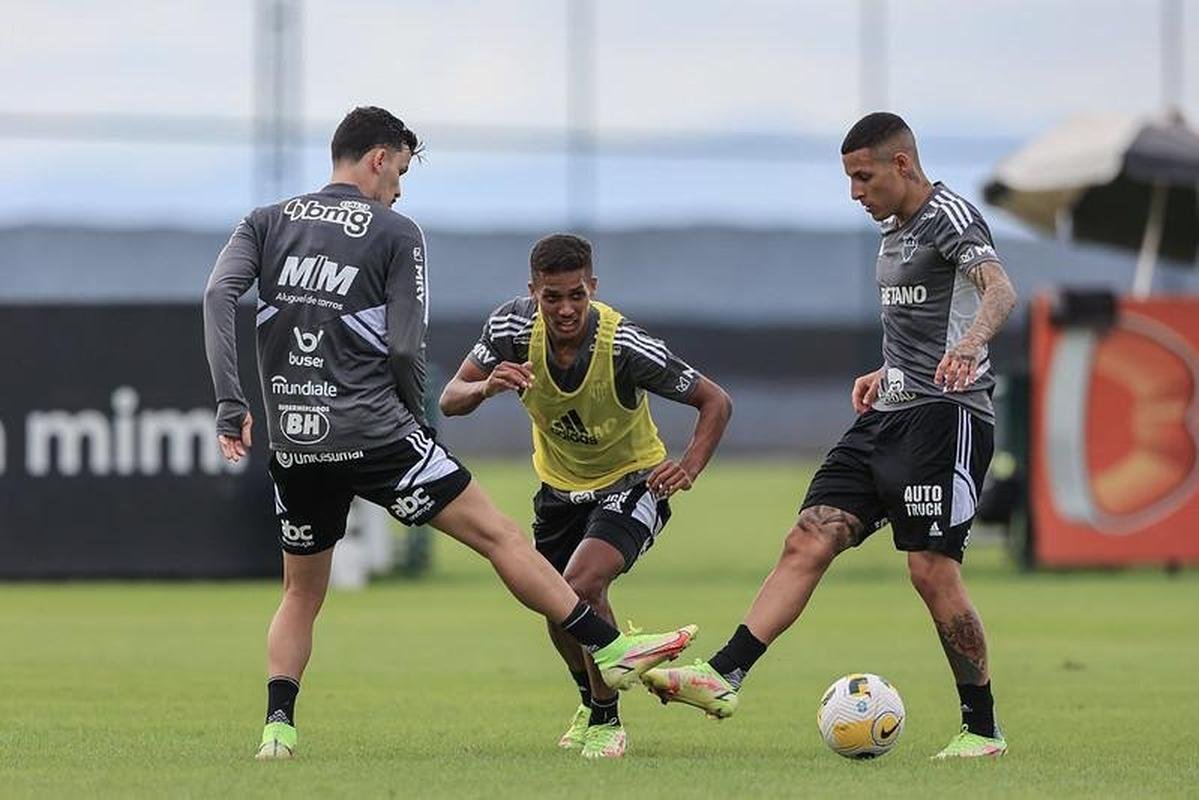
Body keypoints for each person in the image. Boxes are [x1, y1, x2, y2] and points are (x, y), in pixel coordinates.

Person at [202, 106, 697, 761]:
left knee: (300, 592)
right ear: (378, 158)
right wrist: (419, 417)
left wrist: (232, 401)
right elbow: (407, 348)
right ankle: (609, 647)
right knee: (500, 538)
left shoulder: (263, 221)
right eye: (399, 171)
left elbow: (216, 296)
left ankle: (277, 731)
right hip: (378, 435)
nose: (399, 188)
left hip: (297, 443)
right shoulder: (395, 230)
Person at [642, 112, 1018, 760]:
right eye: (848, 178)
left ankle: (980, 729)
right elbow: (918, 321)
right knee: (809, 534)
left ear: (901, 164)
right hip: (888, 412)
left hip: (945, 419)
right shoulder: (891, 230)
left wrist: (970, 343)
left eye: (862, 176)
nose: (854, 192)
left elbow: (998, 290)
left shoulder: (949, 215)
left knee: (929, 572)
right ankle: (722, 674)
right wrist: (886, 368)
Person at [439, 233, 732, 758]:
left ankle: (607, 720)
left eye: (577, 294)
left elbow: (715, 401)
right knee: (555, 608)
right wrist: (486, 387)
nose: (566, 308)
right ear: (534, 293)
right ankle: (597, 698)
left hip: (632, 483)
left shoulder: (624, 346)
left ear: (592, 287)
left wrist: (687, 467)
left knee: (580, 583)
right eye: (553, 297)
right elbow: (450, 399)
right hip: (557, 489)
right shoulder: (509, 327)